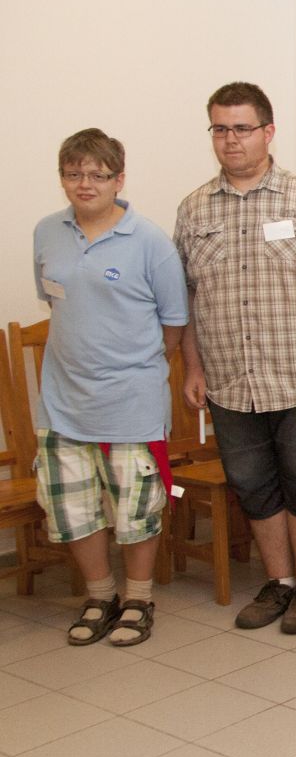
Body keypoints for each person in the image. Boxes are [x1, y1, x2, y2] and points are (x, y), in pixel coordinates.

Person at [176, 82, 296, 635]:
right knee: (253, 484)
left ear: (268, 131)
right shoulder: (193, 209)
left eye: (242, 128)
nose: (231, 140)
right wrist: (193, 367)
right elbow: (186, 297)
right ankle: (279, 582)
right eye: (220, 129)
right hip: (230, 380)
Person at [33, 129, 188, 647]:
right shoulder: (46, 232)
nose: (85, 183)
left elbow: (173, 324)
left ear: (119, 180)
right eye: (73, 173)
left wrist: (134, 367)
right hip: (62, 402)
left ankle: (138, 599)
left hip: (131, 403)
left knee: (136, 509)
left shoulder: (150, 242)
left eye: (97, 174)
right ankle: (100, 596)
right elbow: (55, 302)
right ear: (62, 179)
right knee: (72, 507)